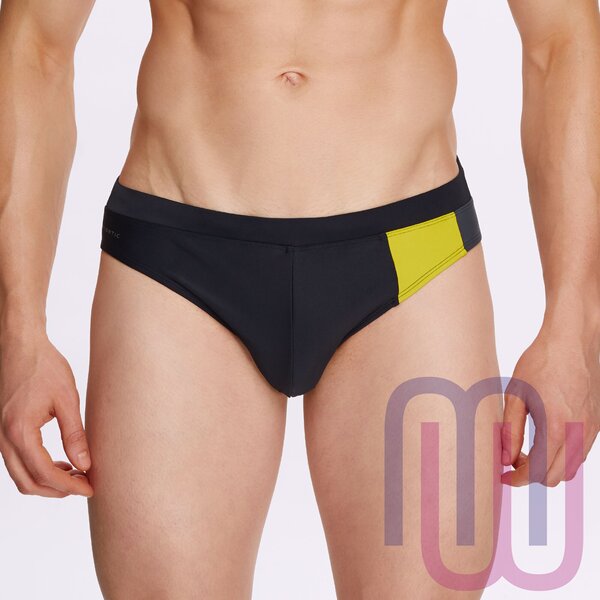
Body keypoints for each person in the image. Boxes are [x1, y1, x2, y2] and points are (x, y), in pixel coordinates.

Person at [0, 0, 598, 598]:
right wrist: (18, 329)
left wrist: (574, 329)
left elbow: (563, 39)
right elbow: (33, 43)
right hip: (178, 256)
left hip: (412, 252)